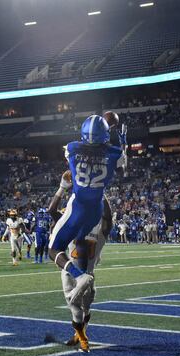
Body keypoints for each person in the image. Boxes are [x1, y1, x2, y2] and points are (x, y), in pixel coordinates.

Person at [48, 115, 126, 302]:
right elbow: (122, 165)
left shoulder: (72, 148)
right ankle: (86, 278)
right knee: (80, 240)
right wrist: (121, 141)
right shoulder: (115, 153)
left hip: (79, 206)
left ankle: (80, 276)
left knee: (53, 249)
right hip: (96, 208)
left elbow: (82, 147)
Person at [48, 176, 112, 353]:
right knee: (76, 311)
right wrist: (62, 189)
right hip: (71, 273)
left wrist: (100, 194)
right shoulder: (75, 226)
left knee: (85, 309)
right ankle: (83, 338)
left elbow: (108, 218)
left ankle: (81, 333)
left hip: (88, 275)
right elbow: (52, 211)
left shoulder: (98, 229)